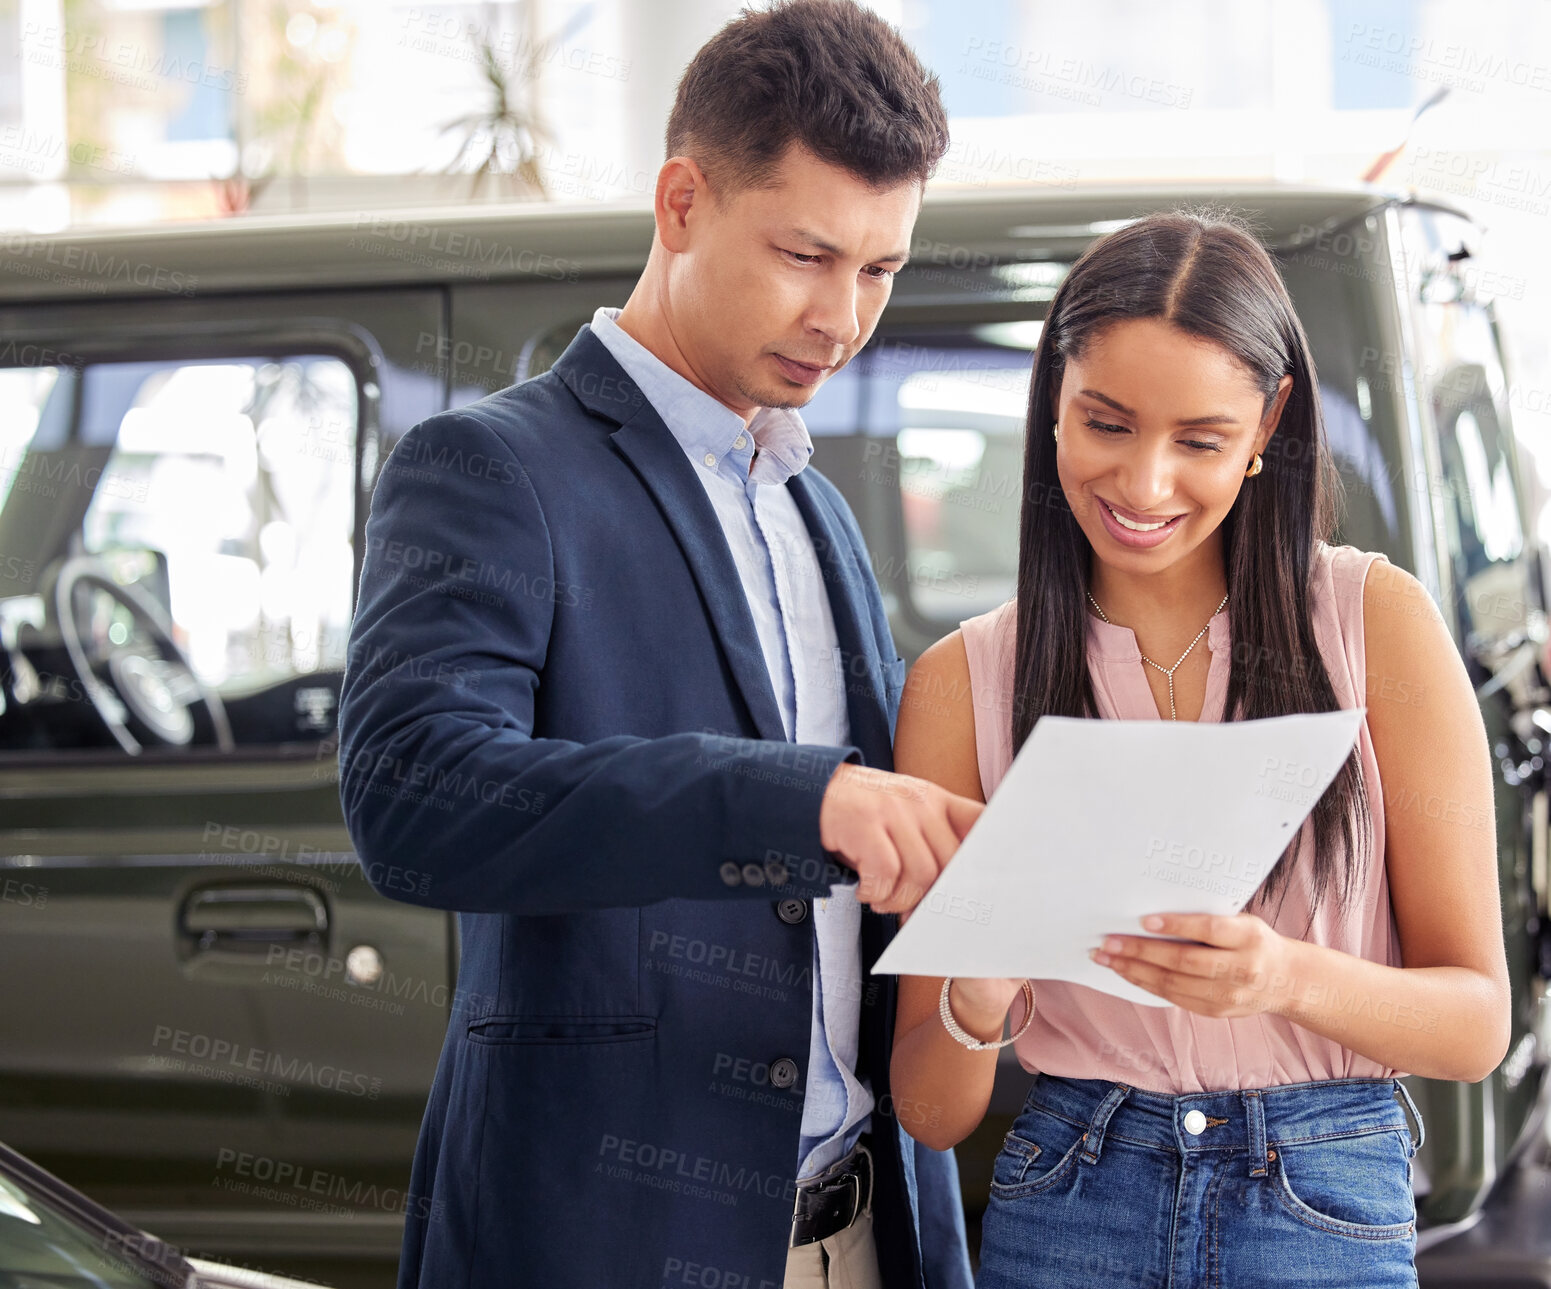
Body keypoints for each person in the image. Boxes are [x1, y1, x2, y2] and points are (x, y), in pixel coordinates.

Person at [337, 3, 980, 1287]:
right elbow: (412, 793)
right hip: (612, 1238)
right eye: (806, 253)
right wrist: (795, 799)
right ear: (681, 201)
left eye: (880, 270)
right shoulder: (488, 467)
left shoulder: (818, 506)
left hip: (859, 1229)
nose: (842, 315)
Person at [888, 209, 1510, 1288]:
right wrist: (977, 995)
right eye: (1107, 423)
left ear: (1268, 423)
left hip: (1321, 1194)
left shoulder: (1375, 623)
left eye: (1201, 441)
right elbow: (930, 1111)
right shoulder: (963, 680)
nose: (1143, 483)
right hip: (1074, 1191)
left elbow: (1474, 1023)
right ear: (1052, 402)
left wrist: (1283, 976)